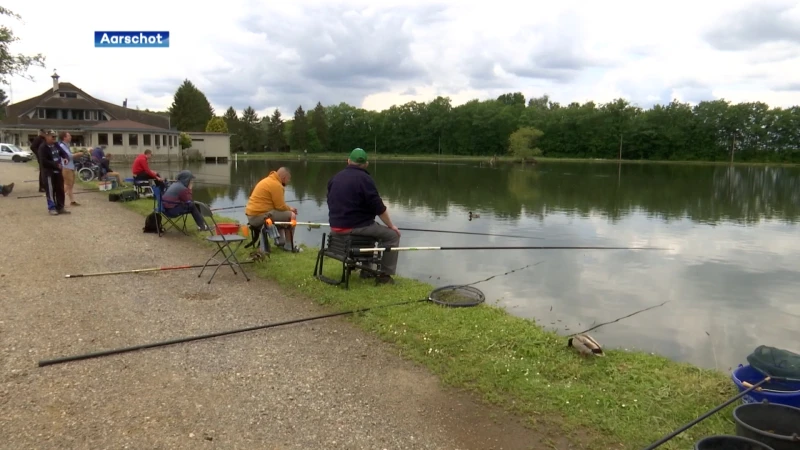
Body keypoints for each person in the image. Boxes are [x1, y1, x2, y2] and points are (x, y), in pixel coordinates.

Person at [327, 148, 399, 284]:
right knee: (392, 236)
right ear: (366, 164)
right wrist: (391, 226)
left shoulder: (335, 178)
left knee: (371, 226)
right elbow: (379, 208)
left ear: (348, 161)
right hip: (354, 227)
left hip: (335, 226)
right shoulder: (365, 179)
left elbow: (330, 201)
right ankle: (385, 275)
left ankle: (366, 270)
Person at [245, 167, 300, 252]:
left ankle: (280, 241)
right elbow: (280, 206)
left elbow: (278, 207)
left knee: (281, 214)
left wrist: (288, 209)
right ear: (284, 178)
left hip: (253, 216)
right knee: (291, 216)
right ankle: (289, 246)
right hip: (258, 217)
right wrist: (291, 209)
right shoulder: (276, 185)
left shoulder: (268, 180)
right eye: (288, 180)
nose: (288, 182)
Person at [38, 130, 70, 215]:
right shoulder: (42, 147)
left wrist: (66, 158)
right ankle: (52, 208)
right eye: (52, 137)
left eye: (55, 137)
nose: (54, 138)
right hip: (48, 172)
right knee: (50, 190)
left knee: (60, 189)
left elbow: (63, 153)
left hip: (58, 172)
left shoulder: (56, 145)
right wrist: (55, 165)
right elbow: (43, 161)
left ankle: (60, 207)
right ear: (47, 137)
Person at [57, 131, 86, 206]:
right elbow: (68, 156)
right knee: (67, 185)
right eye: (69, 136)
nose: (71, 137)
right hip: (66, 167)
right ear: (64, 137)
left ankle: (72, 201)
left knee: (70, 185)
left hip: (71, 167)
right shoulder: (62, 146)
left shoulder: (67, 145)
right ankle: (58, 201)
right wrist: (79, 154)